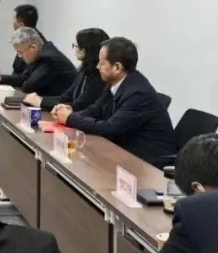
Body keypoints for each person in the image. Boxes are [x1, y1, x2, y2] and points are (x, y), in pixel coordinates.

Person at [53, 37, 176, 168]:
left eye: (102, 63)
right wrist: (69, 112)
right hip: (125, 151)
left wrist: (70, 118)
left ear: (117, 67)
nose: (97, 66)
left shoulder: (138, 94)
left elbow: (109, 128)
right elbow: (96, 109)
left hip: (149, 163)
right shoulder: (115, 81)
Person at [27, 28, 109, 113]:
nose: (74, 49)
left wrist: (41, 102)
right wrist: (39, 99)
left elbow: (78, 106)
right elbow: (65, 97)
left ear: (84, 51)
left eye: (76, 46)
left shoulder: (100, 77)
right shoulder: (84, 71)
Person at [0, 28, 75, 97]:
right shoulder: (39, 53)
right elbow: (23, 78)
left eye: (20, 52)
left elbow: (29, 86)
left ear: (33, 47)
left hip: (61, 106)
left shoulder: (49, 59)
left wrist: (22, 82)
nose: (20, 56)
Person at [10, 4, 40, 75]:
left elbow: (23, 77)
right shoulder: (25, 38)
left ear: (21, 25)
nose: (12, 22)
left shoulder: (34, 44)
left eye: (14, 19)